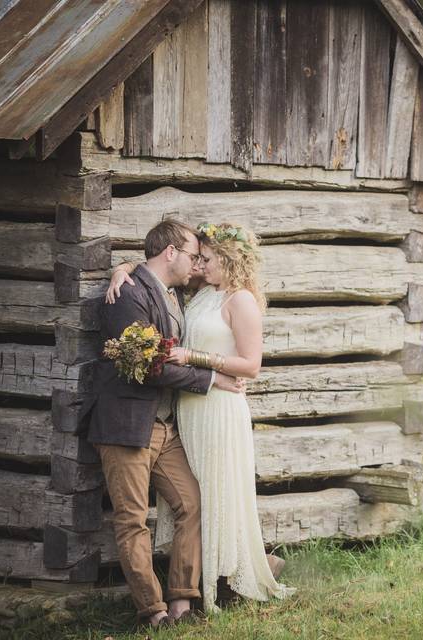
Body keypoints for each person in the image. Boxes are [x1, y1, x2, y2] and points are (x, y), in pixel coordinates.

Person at [107, 222, 293, 612]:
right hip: (176, 414)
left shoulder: (235, 298)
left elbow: (252, 364)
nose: (198, 266)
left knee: (206, 497)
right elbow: (153, 269)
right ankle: (163, 606)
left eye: (205, 259)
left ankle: (211, 582)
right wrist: (120, 269)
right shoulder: (197, 292)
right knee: (165, 510)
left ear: (226, 259)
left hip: (211, 411)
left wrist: (201, 363)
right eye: (197, 257)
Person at [79, 220, 244, 628]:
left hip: (165, 428)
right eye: (191, 256)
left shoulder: (172, 291)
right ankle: (152, 612)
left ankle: (182, 601)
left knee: (192, 503)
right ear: (171, 252)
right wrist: (212, 379)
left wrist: (128, 263)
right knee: (133, 519)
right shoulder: (126, 296)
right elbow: (148, 365)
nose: (196, 265)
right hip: (126, 427)